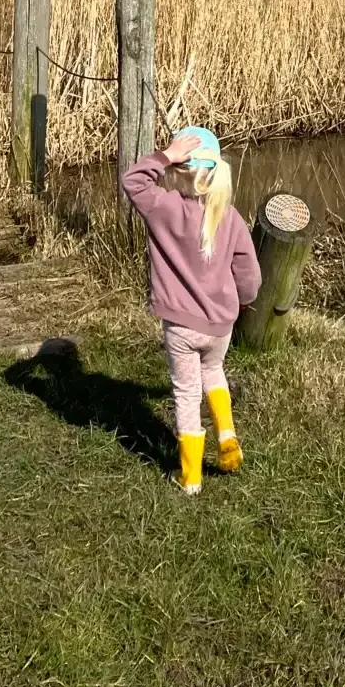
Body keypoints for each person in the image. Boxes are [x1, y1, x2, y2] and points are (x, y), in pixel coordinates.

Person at [121, 125, 261, 495]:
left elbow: (133, 181)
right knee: (213, 370)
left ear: (177, 173)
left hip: (181, 328)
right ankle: (227, 436)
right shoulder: (229, 216)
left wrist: (165, 155)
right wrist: (244, 300)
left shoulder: (163, 207)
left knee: (186, 393)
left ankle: (191, 476)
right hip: (221, 325)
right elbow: (249, 273)